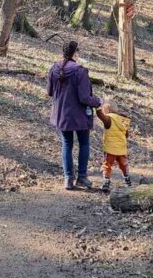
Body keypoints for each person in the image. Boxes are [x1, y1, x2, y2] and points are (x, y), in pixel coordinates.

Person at [47, 40, 102, 190]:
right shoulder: (80, 71)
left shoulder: (54, 68)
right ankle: (82, 177)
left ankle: (68, 179)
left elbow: (50, 92)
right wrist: (99, 102)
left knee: (66, 144)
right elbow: (84, 98)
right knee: (84, 143)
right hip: (79, 115)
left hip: (62, 115)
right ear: (75, 52)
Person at [95, 98, 131, 192]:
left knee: (107, 165)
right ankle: (127, 179)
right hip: (122, 149)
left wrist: (97, 108)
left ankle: (106, 182)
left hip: (110, 149)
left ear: (106, 110)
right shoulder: (123, 121)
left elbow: (100, 115)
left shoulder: (109, 119)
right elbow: (126, 135)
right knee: (123, 164)